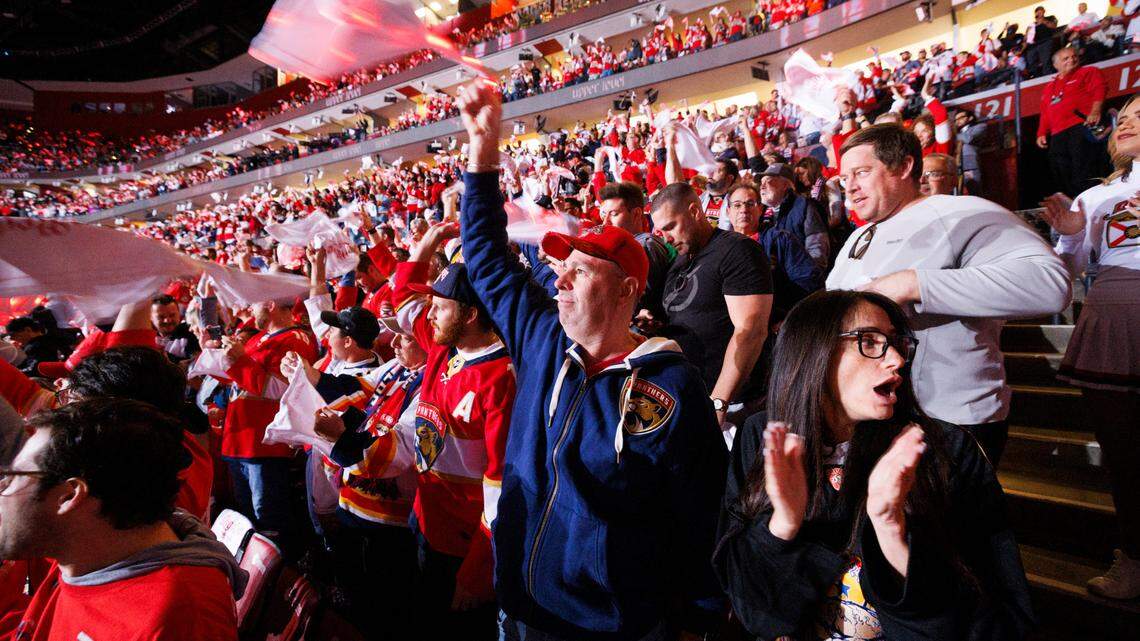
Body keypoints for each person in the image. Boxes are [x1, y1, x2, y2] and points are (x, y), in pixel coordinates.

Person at [455, 79, 727, 641]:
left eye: (580, 270)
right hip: (520, 607)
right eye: (560, 267)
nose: (559, 278)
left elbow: (701, 516)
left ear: (627, 289)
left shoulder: (674, 390)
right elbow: (483, 256)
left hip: (611, 626)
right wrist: (482, 156)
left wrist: (698, 620)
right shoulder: (540, 335)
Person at [713, 290, 1034, 640]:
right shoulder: (765, 437)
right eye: (869, 341)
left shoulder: (943, 452)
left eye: (897, 343)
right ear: (811, 350)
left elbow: (1003, 619)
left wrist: (891, 530)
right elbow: (753, 612)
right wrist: (782, 526)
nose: (896, 358)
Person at [828, 124, 1071, 466]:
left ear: (904, 166)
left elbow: (1050, 283)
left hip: (949, 420)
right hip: (878, 415)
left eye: (862, 172)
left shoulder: (963, 212)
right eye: (844, 178)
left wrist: (915, 284)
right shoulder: (857, 237)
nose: (850, 186)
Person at [3, 398, 247, 640]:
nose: (3, 486)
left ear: (69, 496)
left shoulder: (177, 619)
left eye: (13, 475)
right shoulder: (82, 553)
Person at [390, 223, 515, 639]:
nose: (428, 316)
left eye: (440, 307)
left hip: (463, 546)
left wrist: (479, 566)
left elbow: (501, 484)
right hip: (426, 518)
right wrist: (427, 243)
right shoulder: (446, 345)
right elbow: (403, 296)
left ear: (470, 314)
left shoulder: (501, 378)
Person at [1038, 92, 1140, 600]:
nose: (1127, 124)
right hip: (1111, 318)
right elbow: (1068, 274)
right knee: (1124, 455)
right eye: (1123, 118)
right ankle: (1135, 558)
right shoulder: (1093, 197)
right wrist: (1071, 237)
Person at [651, 182, 774, 435]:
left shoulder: (737, 250)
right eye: (661, 231)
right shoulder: (681, 261)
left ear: (695, 212)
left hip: (736, 406)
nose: (667, 238)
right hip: (691, 395)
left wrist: (718, 403)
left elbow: (750, 330)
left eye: (670, 227)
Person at [220, 297, 318, 554]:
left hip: (262, 445)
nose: (250, 308)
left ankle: (281, 576)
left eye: (255, 302)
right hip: (240, 440)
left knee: (269, 519)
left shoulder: (294, 339)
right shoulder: (261, 337)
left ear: (271, 303)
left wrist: (239, 360)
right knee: (249, 519)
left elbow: (283, 390)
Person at [726, 182, 824, 313]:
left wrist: (784, 317)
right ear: (728, 212)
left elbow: (808, 282)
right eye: (737, 205)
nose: (744, 210)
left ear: (760, 209)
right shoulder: (719, 247)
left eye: (750, 204)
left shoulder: (781, 240)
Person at [1036, 46, 1108, 198]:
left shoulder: (1088, 72)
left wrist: (1095, 111)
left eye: (1074, 56)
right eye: (1066, 58)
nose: (1071, 60)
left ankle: (1092, 198)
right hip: (1057, 133)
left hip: (1080, 126)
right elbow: (1045, 112)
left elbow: (1099, 90)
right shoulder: (1050, 87)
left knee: (1082, 166)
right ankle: (1074, 199)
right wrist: (1042, 132)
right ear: (1056, 65)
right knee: (1060, 168)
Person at [597, 181, 674, 318]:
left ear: (637, 213)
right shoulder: (623, 246)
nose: (606, 222)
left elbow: (647, 301)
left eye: (614, 214)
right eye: (604, 215)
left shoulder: (644, 245)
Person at [757, 163, 830, 268]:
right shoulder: (762, 214)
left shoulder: (805, 206)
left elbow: (817, 251)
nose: (762, 186)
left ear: (786, 185)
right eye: (761, 182)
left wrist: (806, 278)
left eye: (769, 181)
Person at [151, 294, 200, 366]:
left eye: (172, 315)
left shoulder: (192, 332)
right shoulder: (145, 339)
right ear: (151, 317)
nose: (167, 320)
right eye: (161, 317)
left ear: (179, 313)